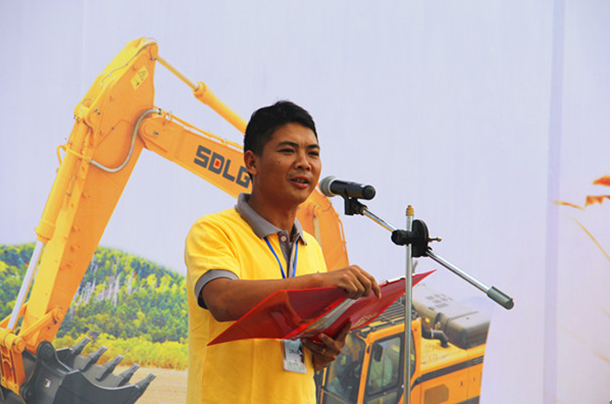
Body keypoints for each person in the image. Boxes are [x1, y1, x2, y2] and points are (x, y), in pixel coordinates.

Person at [185, 100, 381, 404]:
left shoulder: (311, 248)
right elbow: (222, 300)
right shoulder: (214, 230)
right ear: (252, 163)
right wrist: (318, 282)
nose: (304, 163)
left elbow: (302, 347)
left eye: (312, 153)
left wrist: (324, 350)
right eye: (288, 151)